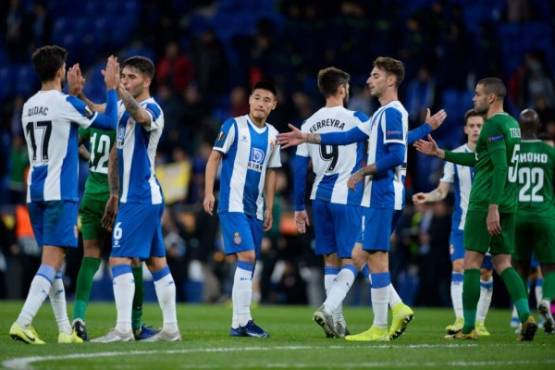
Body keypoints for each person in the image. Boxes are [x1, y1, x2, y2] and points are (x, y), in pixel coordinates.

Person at [278, 57, 446, 341]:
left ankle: (366, 321)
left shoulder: (390, 112)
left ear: (390, 80)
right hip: (363, 196)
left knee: (362, 258)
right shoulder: (372, 115)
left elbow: (394, 153)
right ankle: (385, 310)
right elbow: (349, 137)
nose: (368, 80)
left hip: (370, 194)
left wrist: (362, 171)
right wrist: (306, 137)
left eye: (375, 75)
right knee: (363, 256)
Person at [9, 45, 119, 344]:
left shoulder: (29, 105)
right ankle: (23, 322)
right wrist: (110, 88)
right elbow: (110, 123)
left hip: (36, 192)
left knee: (55, 262)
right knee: (52, 260)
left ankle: (63, 330)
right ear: (60, 71)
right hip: (60, 193)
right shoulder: (64, 103)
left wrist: (73, 95)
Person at [415, 77, 537, 341]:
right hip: (508, 203)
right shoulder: (512, 125)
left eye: (478, 94)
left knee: (470, 263)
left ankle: (468, 327)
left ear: (491, 98)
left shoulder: (492, 125)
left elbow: (501, 166)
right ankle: (526, 315)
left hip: (485, 204)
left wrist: (491, 207)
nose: (474, 99)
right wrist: (441, 154)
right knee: (504, 263)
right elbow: (480, 159)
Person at [66, 64, 158, 341]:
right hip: (118, 195)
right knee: (133, 259)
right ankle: (137, 324)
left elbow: (77, 143)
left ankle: (78, 317)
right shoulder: (120, 120)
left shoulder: (96, 122)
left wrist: (91, 159)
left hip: (90, 193)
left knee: (90, 256)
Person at [93, 56, 180, 343]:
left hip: (141, 197)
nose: (127, 81)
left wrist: (117, 87)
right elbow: (106, 119)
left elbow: (141, 117)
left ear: (147, 80)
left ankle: (122, 330)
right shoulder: (120, 107)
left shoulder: (153, 108)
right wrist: (81, 95)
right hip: (135, 197)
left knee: (119, 258)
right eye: (124, 76)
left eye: (131, 77)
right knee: (156, 262)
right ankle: (170, 329)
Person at [293, 67, 368, 338]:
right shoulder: (357, 118)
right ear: (342, 89)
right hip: (346, 196)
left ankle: (336, 323)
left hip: (318, 197)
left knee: (330, 260)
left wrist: (298, 207)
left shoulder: (308, 123)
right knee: (354, 259)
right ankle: (328, 308)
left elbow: (300, 168)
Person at [203, 81, 281, 338]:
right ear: (249, 100)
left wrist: (269, 207)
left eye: (266, 99)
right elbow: (214, 158)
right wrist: (208, 193)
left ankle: (238, 324)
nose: (260, 102)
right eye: (257, 97)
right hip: (232, 204)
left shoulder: (273, 135)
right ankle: (244, 320)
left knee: (249, 262)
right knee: (247, 257)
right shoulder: (233, 125)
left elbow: (271, 173)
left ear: (273, 105)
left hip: (256, 210)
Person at [413, 109, 494, 336]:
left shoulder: (494, 154)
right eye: (473, 126)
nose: (476, 129)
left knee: (486, 273)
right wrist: (428, 197)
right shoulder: (454, 156)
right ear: (465, 129)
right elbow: (443, 190)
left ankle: (479, 322)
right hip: (462, 225)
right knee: (459, 266)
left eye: (480, 125)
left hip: (488, 224)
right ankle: (460, 319)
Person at [511, 108, 555, 334]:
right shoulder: (549, 152)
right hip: (545, 214)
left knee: (520, 268)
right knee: (550, 267)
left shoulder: (513, 151)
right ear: (539, 127)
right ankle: (546, 300)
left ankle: (523, 317)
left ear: (519, 127)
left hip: (518, 216)